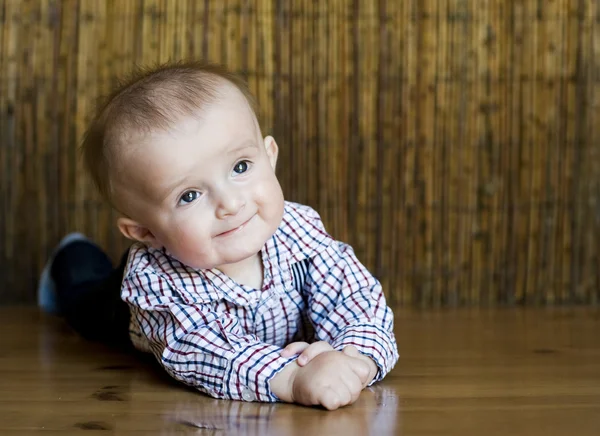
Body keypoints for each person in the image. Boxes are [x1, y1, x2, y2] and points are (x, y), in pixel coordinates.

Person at [38, 61, 399, 410]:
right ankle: (71, 257)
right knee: (84, 302)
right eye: (189, 196)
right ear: (145, 231)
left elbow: (353, 297)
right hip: (120, 309)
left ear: (269, 157)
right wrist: (289, 378)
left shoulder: (299, 229)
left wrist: (354, 359)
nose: (230, 203)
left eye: (240, 167)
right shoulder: (156, 281)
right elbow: (203, 351)